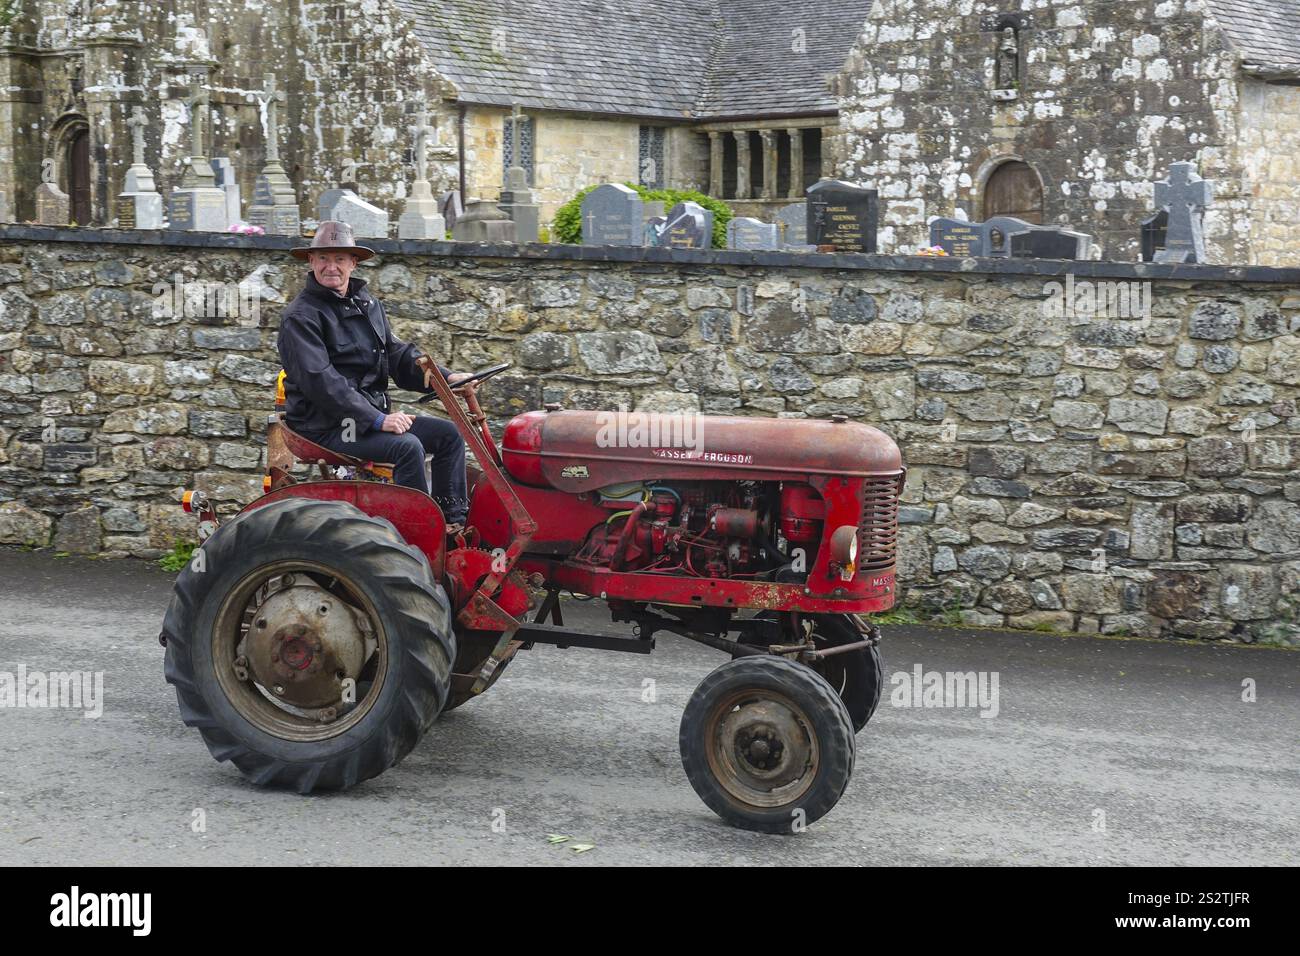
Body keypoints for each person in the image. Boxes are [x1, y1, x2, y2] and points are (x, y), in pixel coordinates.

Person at [277, 220, 472, 528]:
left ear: (353, 263)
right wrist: (378, 420)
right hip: (327, 425)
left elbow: (394, 354)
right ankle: (418, 533)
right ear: (311, 261)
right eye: (324, 258)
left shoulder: (367, 304)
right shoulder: (300, 317)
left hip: (363, 419)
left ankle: (452, 524)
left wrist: (446, 378)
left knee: (449, 436)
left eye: (340, 258)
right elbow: (322, 382)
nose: (332, 266)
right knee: (407, 447)